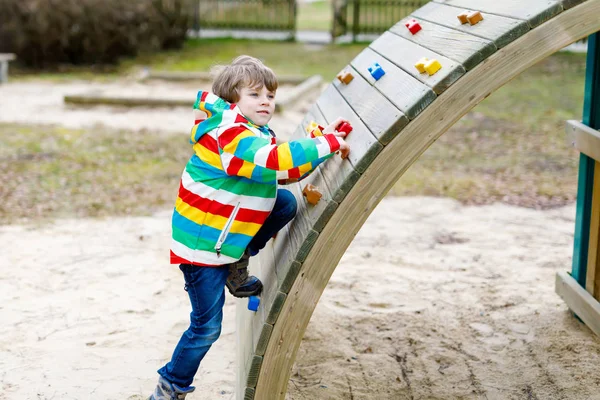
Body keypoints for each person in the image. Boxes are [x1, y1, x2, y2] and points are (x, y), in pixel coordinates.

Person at [148, 55, 351, 399]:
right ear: (232, 101)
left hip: (224, 238)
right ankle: (170, 386)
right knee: (207, 328)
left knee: (284, 201)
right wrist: (328, 143)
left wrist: (324, 146)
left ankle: (237, 264)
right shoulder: (228, 135)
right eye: (255, 95)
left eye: (270, 96)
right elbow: (274, 159)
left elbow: (283, 173)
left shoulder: (251, 132)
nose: (266, 102)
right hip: (203, 248)